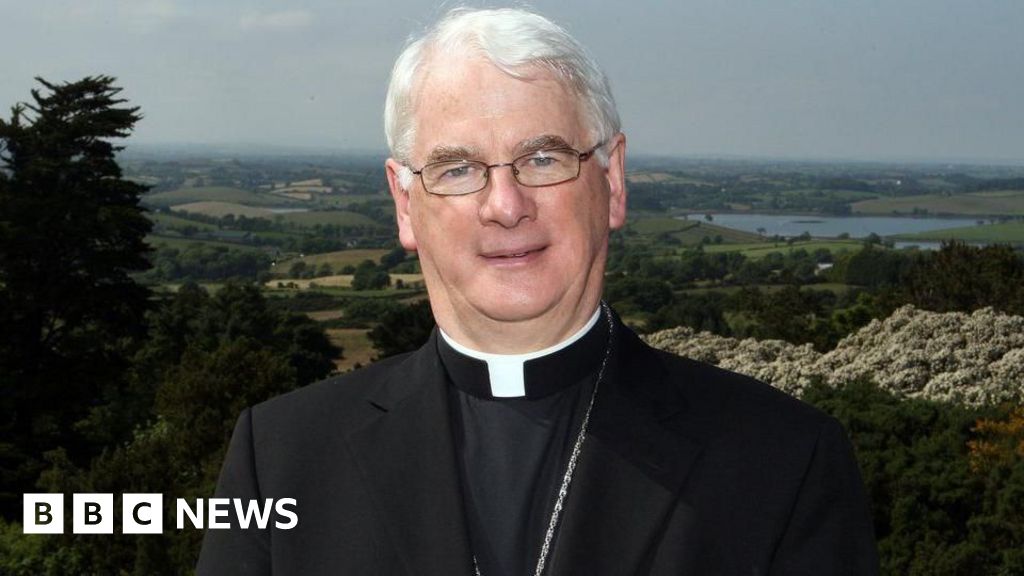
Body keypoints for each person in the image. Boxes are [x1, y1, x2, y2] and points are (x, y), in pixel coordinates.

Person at [198, 7, 879, 575]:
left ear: (612, 181)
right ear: (405, 204)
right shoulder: (281, 457)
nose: (505, 204)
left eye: (543, 159)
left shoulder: (782, 461)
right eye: (458, 167)